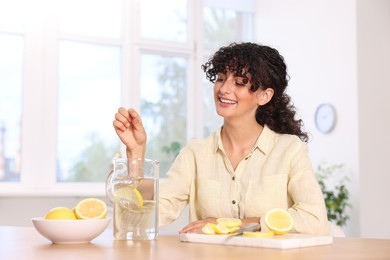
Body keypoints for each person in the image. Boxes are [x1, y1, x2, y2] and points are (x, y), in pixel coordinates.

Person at [113, 42, 329, 235]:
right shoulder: (195, 153)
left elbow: (315, 220)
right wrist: (136, 152)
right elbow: (144, 218)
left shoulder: (289, 150)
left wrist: (237, 224)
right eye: (221, 79)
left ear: (264, 96)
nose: (224, 89)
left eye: (239, 82)